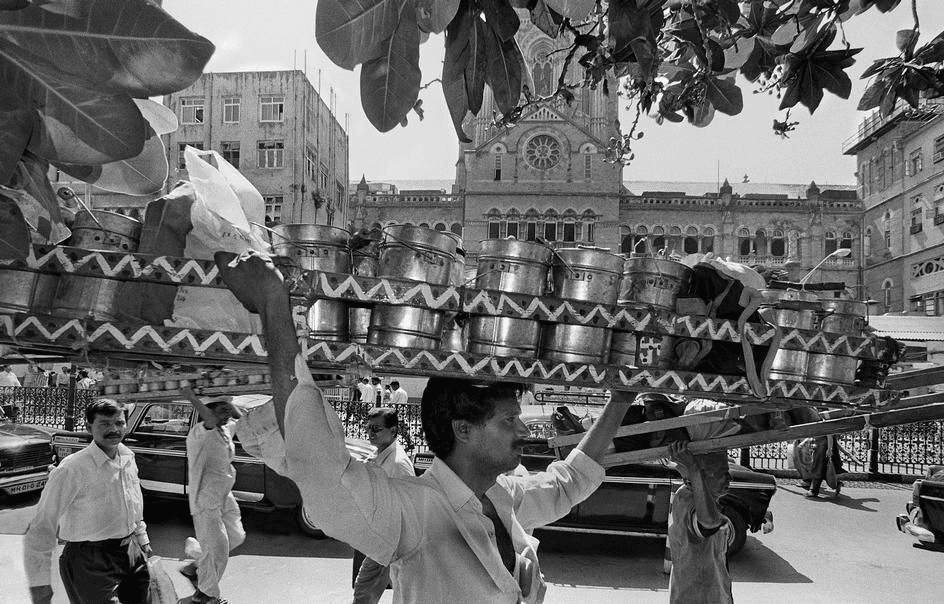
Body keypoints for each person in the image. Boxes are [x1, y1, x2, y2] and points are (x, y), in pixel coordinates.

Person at [215, 251, 633, 603]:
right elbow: (316, 459)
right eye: (509, 420)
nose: (522, 432)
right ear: (464, 430)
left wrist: (619, 400)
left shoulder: (505, 497)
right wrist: (274, 305)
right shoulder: (412, 511)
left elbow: (569, 482)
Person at [23, 399, 152, 604]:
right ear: (88, 426)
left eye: (119, 423)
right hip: (90, 560)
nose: (114, 429)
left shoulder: (128, 458)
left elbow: (134, 505)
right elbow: (42, 527)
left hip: (131, 552)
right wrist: (40, 584)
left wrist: (142, 541)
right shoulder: (72, 469)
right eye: (105, 424)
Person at [178, 388, 246, 604]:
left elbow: (243, 420)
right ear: (209, 411)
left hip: (224, 494)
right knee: (217, 547)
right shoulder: (200, 432)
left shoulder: (225, 430)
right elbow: (209, 417)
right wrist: (191, 397)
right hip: (205, 498)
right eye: (221, 411)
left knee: (236, 536)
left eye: (227, 411)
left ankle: (195, 568)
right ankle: (206, 595)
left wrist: (228, 404)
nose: (226, 415)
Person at [352, 408, 415, 604]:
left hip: (392, 542)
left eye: (376, 429)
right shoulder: (381, 455)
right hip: (383, 539)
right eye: (368, 428)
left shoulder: (397, 465)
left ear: (393, 431)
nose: (370, 433)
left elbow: (410, 507)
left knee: (364, 592)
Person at [667, 440, 734, 604]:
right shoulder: (687, 499)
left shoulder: (709, 501)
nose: (729, 478)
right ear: (702, 476)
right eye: (722, 473)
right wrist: (693, 469)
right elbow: (708, 523)